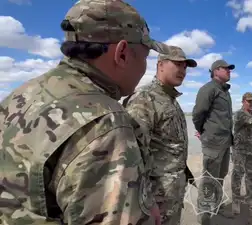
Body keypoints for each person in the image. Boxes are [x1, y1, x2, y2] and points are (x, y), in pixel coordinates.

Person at [0, 0, 175, 224]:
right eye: (145, 57)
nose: (144, 66)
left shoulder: (21, 95)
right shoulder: (105, 121)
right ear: (121, 54)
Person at [123, 46, 197, 225]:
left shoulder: (170, 99)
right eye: (178, 64)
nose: (182, 70)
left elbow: (170, 147)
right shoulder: (145, 98)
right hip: (156, 197)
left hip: (171, 193)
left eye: (185, 66)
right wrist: (146, 200)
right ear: (161, 65)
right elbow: (131, 155)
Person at [192, 59, 235, 223]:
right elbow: (198, 114)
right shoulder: (208, 89)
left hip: (225, 142)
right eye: (226, 68)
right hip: (213, 142)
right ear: (215, 71)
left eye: (229, 69)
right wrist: (203, 132)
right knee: (209, 178)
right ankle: (204, 213)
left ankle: (217, 206)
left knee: (221, 176)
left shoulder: (225, 91)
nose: (229, 71)